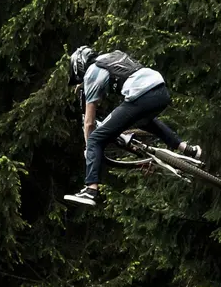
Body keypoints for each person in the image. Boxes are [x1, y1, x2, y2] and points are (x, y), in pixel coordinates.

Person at [63, 45, 202, 207]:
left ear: (79, 67)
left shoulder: (92, 72)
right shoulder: (112, 56)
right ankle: (187, 149)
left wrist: (90, 149)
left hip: (141, 96)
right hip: (160, 91)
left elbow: (89, 122)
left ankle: (90, 190)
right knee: (145, 121)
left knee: (95, 138)